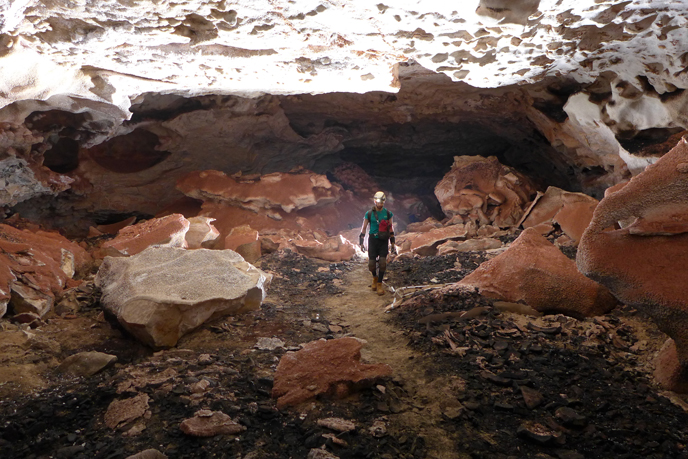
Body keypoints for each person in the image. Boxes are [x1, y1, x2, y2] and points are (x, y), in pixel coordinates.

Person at [359, 191, 397, 295]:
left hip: (383, 240)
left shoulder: (388, 213)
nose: (380, 204)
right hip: (373, 240)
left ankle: (379, 283)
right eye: (378, 202)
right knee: (371, 264)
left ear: (384, 202)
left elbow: (391, 227)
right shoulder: (369, 213)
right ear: (375, 201)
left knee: (382, 263)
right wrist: (361, 241)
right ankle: (374, 277)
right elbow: (364, 227)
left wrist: (393, 242)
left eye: (382, 202)